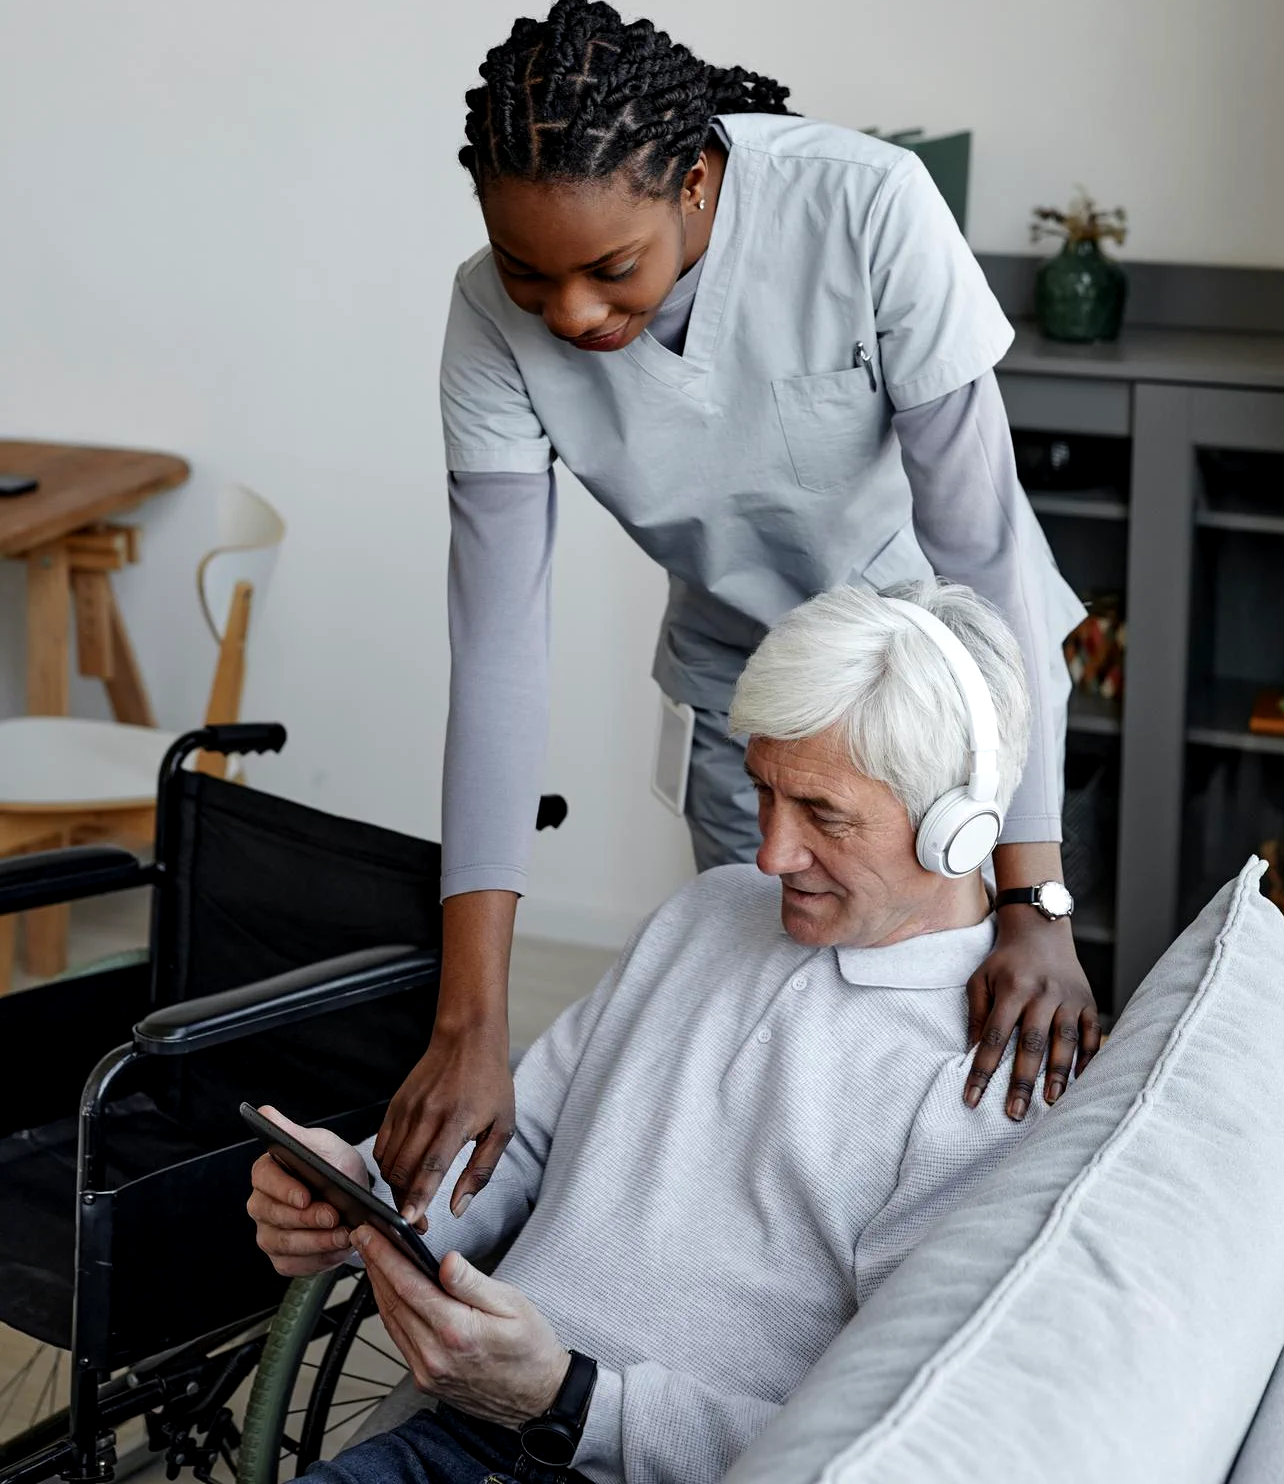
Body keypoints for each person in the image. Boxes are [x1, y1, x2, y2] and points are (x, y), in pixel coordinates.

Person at [377, 0, 1096, 1227]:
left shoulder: (864, 207)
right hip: (747, 697)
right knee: (779, 1029)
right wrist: (471, 1020)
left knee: (954, 1044)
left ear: (699, 181)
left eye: (611, 271)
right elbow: (497, 651)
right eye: (525, 271)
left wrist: (1034, 898)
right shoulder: (486, 323)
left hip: (944, 697)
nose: (569, 315)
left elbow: (982, 548)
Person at [249, 582, 1098, 1484]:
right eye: (763, 790)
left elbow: (886, 1435)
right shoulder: (708, 912)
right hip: (455, 1433)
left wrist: (571, 1400)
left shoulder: (990, 1081)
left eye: (822, 813)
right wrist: (375, 1197)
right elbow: (523, 1137)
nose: (770, 852)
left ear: (956, 832)